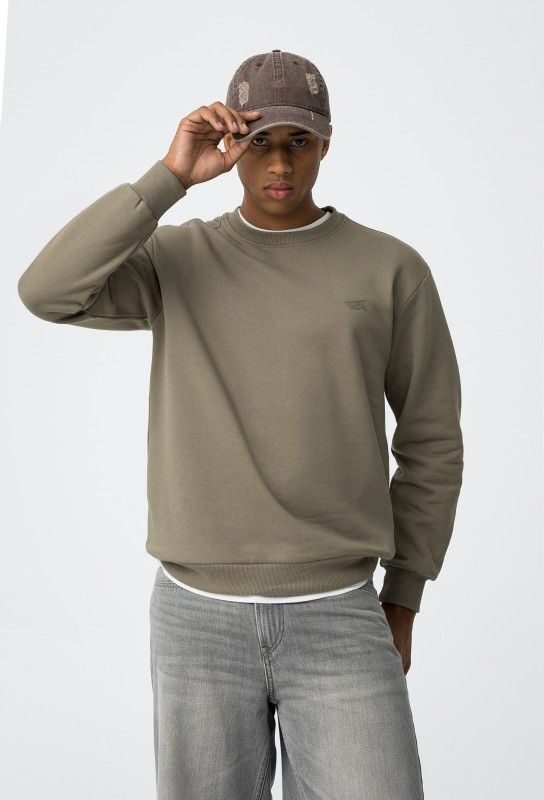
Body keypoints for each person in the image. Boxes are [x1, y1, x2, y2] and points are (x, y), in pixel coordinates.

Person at [17, 49, 463, 799]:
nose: (279, 163)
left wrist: (406, 593)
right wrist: (169, 178)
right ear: (231, 144)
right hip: (197, 622)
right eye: (259, 142)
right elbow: (46, 290)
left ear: (326, 143)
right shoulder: (176, 259)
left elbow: (431, 441)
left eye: (299, 142)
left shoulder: (390, 269)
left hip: (340, 613)